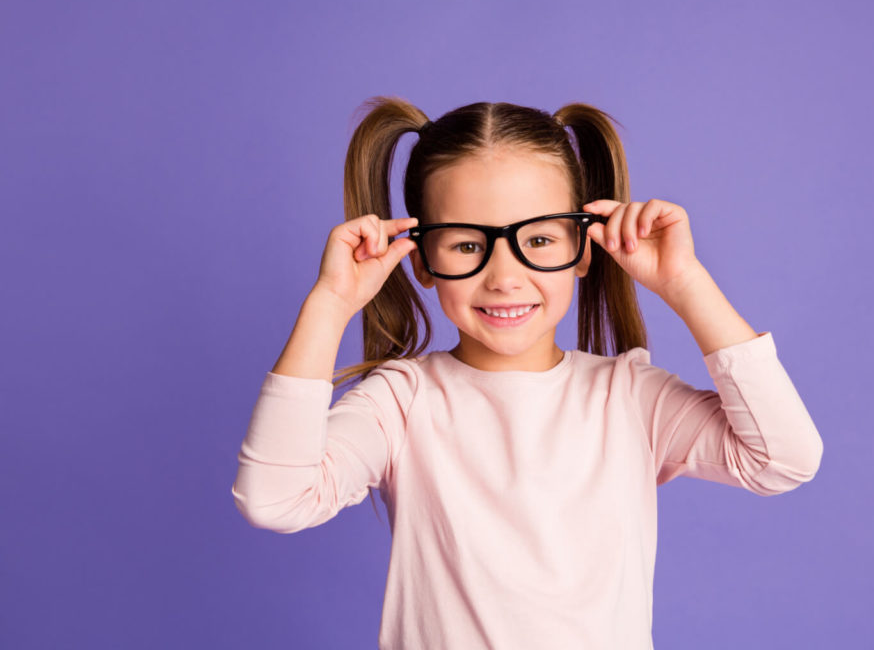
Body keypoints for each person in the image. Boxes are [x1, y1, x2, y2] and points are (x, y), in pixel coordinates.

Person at [231, 96, 824, 649]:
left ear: (584, 249)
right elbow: (276, 500)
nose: (505, 276)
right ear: (423, 262)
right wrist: (331, 302)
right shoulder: (402, 403)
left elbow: (783, 459)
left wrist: (686, 282)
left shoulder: (629, 397)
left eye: (538, 239)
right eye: (466, 245)